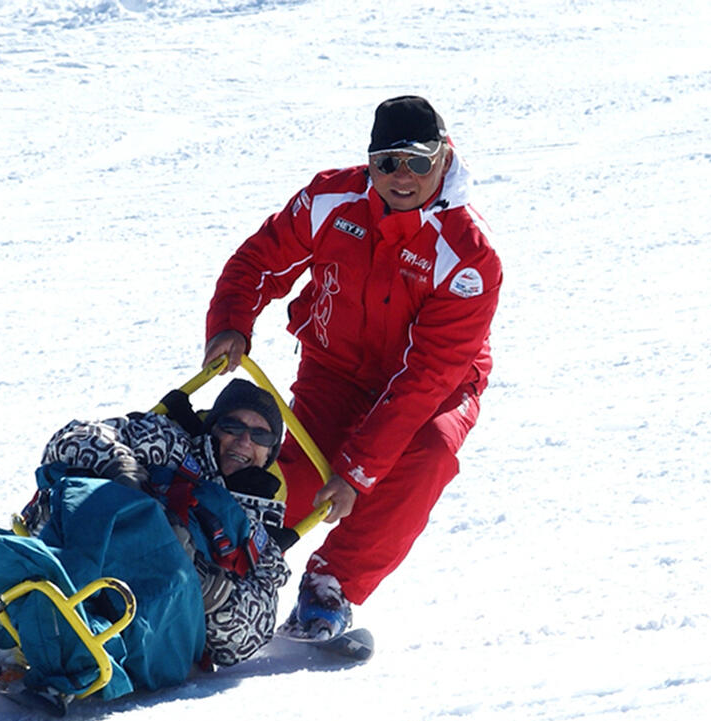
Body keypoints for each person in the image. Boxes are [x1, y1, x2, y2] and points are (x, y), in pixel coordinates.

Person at [203, 95, 502, 641]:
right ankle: (206, 566)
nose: (402, 175)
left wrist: (357, 472)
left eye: (418, 160)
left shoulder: (468, 257)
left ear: (444, 155)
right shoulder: (331, 199)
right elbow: (259, 260)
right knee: (291, 484)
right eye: (388, 162)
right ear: (370, 163)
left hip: (435, 391)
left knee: (423, 457)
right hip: (334, 367)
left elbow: (424, 380)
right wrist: (231, 320)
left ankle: (330, 584)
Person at [19, 378, 291, 669]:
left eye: (260, 436)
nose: (244, 441)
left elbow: (249, 637)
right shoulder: (168, 444)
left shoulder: (259, 536)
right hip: (88, 545)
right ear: (213, 427)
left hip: (152, 619)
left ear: (270, 453)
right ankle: (35, 632)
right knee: (80, 491)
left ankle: (62, 646)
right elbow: (73, 438)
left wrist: (208, 588)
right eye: (232, 427)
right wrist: (119, 466)